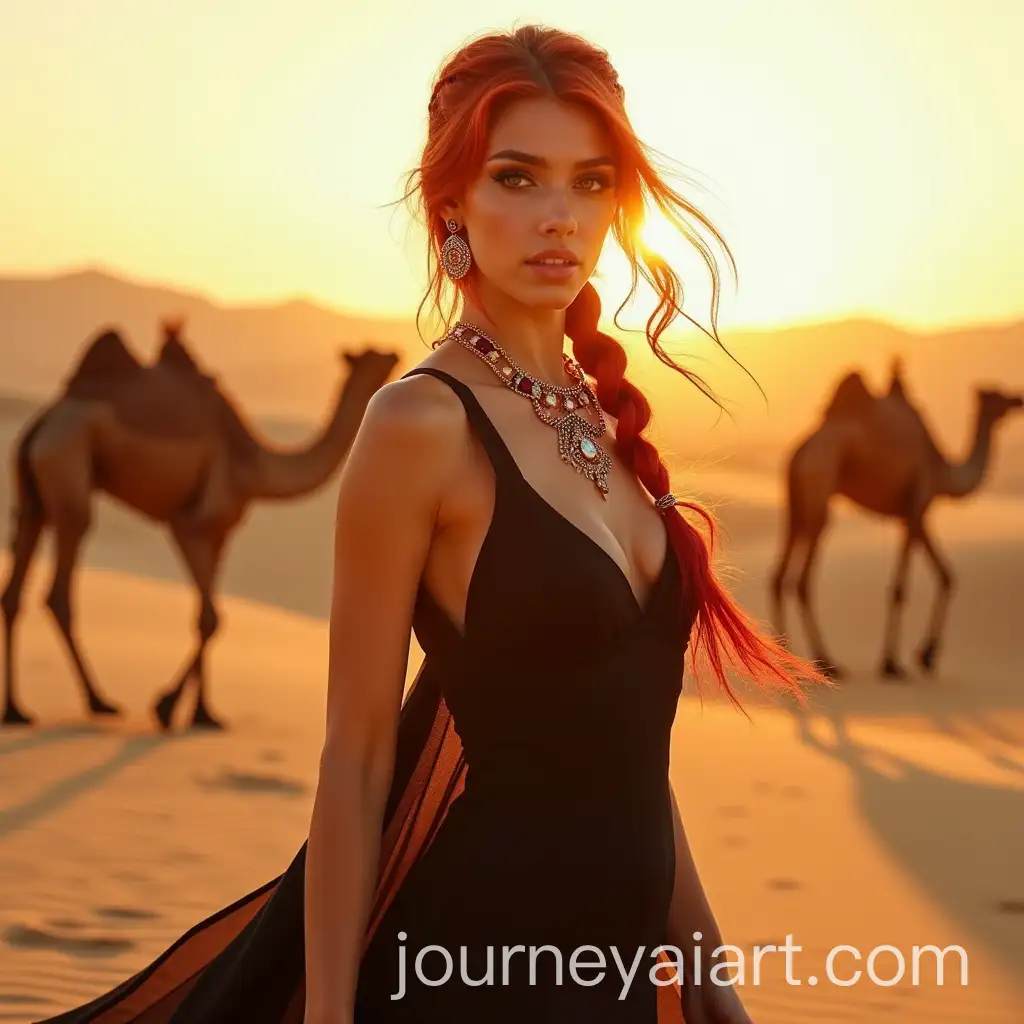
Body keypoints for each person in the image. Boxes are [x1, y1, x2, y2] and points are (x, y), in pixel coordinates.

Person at [37, 23, 824, 1024]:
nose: (558, 216)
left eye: (589, 182)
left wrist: (711, 984)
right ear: (450, 203)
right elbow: (356, 757)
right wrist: (328, 1015)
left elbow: (627, 755)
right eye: (516, 177)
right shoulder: (419, 424)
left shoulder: (605, 420)